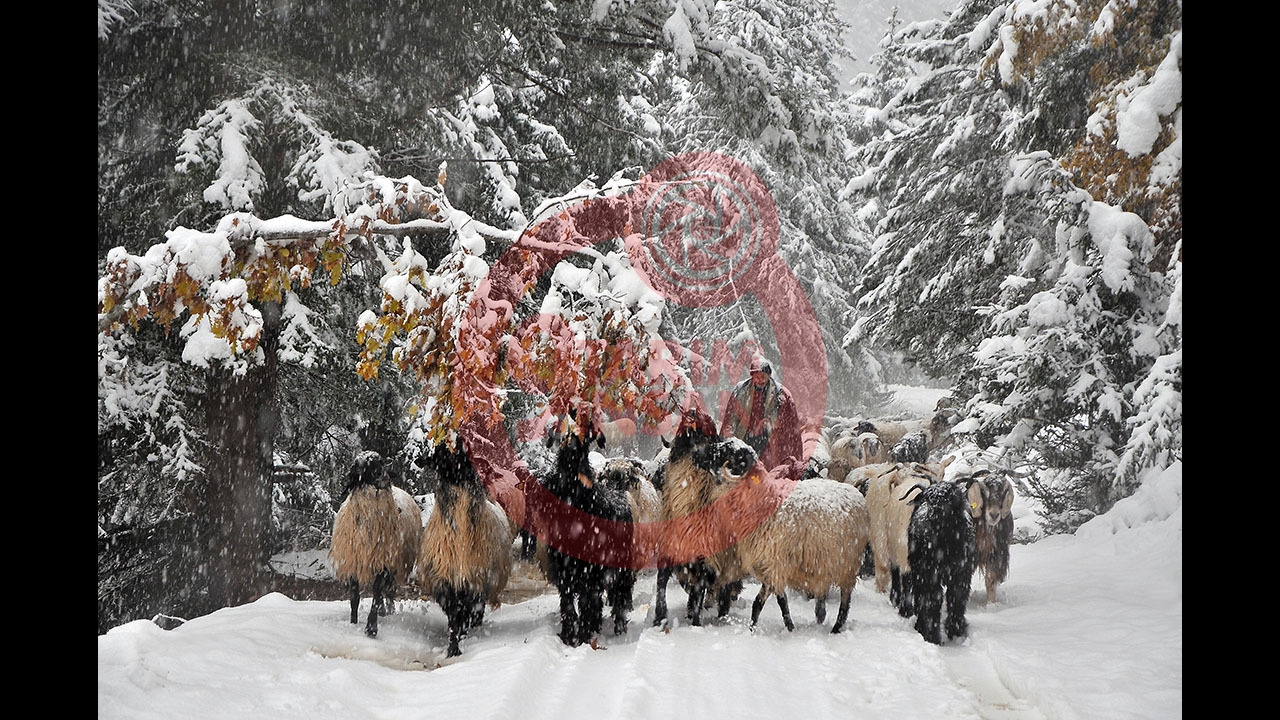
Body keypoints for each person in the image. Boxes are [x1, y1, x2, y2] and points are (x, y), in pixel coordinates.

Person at [719, 357, 804, 477]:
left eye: (763, 376)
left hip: (769, 440)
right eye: (756, 377)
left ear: (769, 375)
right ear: (752, 376)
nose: (760, 380)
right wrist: (727, 440)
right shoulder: (741, 391)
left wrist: (769, 422)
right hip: (745, 437)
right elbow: (731, 417)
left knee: (768, 473)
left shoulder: (781, 394)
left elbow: (788, 421)